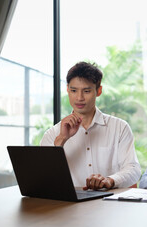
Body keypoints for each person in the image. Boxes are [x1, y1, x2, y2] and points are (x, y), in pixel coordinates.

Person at [40, 61, 141, 190]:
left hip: (110, 203)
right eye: (74, 90)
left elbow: (133, 169)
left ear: (98, 91)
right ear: (67, 90)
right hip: (69, 205)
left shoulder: (120, 127)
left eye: (86, 91)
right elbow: (44, 177)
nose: (79, 98)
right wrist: (61, 140)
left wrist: (110, 180)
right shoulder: (53, 134)